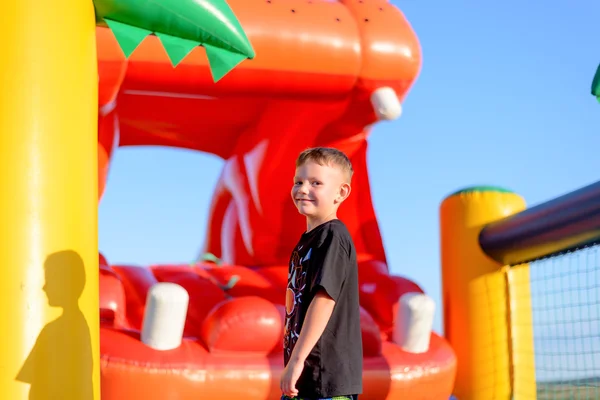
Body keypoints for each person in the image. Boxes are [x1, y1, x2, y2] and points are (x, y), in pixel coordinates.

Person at [280, 147, 363, 400]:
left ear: (341, 192)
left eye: (316, 182)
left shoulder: (332, 236)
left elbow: (324, 299)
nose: (303, 189)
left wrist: (296, 361)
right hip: (306, 377)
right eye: (299, 181)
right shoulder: (306, 242)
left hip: (325, 378)